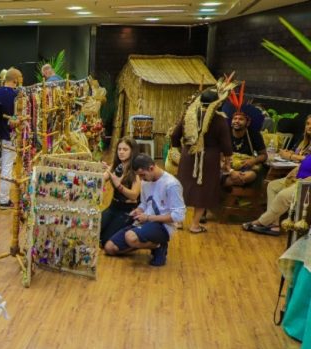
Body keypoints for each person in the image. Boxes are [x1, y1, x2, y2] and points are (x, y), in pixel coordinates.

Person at [105, 154, 186, 266]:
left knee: (130, 237)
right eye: (139, 176)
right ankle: (150, 243)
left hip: (163, 226)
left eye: (143, 175)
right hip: (145, 221)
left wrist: (148, 217)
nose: (142, 179)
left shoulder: (171, 184)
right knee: (109, 248)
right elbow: (144, 203)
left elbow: (179, 216)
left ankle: (159, 245)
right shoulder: (145, 181)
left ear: (151, 168)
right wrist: (138, 210)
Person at [170, 88, 233, 233]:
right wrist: (227, 161)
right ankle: (195, 225)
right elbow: (227, 146)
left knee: (184, 187)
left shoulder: (189, 115)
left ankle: (178, 222)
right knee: (204, 190)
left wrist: (179, 149)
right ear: (217, 103)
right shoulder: (220, 119)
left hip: (188, 156)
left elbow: (174, 135)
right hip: (210, 159)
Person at [243, 115, 311, 236]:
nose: (309, 127)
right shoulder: (305, 142)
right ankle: (274, 225)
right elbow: (303, 158)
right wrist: (292, 156)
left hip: (307, 182)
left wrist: (291, 156)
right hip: (297, 176)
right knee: (272, 185)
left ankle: (261, 222)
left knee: (283, 196)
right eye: (308, 124)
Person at [0, 67, 23, 209]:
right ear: (15, 80)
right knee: (7, 166)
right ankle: (4, 200)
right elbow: (17, 117)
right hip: (8, 134)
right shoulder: (16, 95)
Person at [222, 88, 267, 188]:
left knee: (250, 176)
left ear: (248, 122)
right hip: (228, 167)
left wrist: (253, 161)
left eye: (241, 119)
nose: (237, 121)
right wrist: (230, 170)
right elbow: (220, 155)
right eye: (235, 118)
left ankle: (227, 183)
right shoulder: (225, 133)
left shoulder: (254, 134)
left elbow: (264, 155)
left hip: (246, 168)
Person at [100, 137, 141, 247]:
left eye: (125, 149)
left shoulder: (136, 170)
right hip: (113, 206)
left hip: (126, 210)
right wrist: (97, 170)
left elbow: (134, 195)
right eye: (119, 149)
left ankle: (136, 235)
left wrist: (119, 185)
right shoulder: (115, 166)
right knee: (95, 232)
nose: (121, 152)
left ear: (132, 151)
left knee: (105, 241)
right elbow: (102, 179)